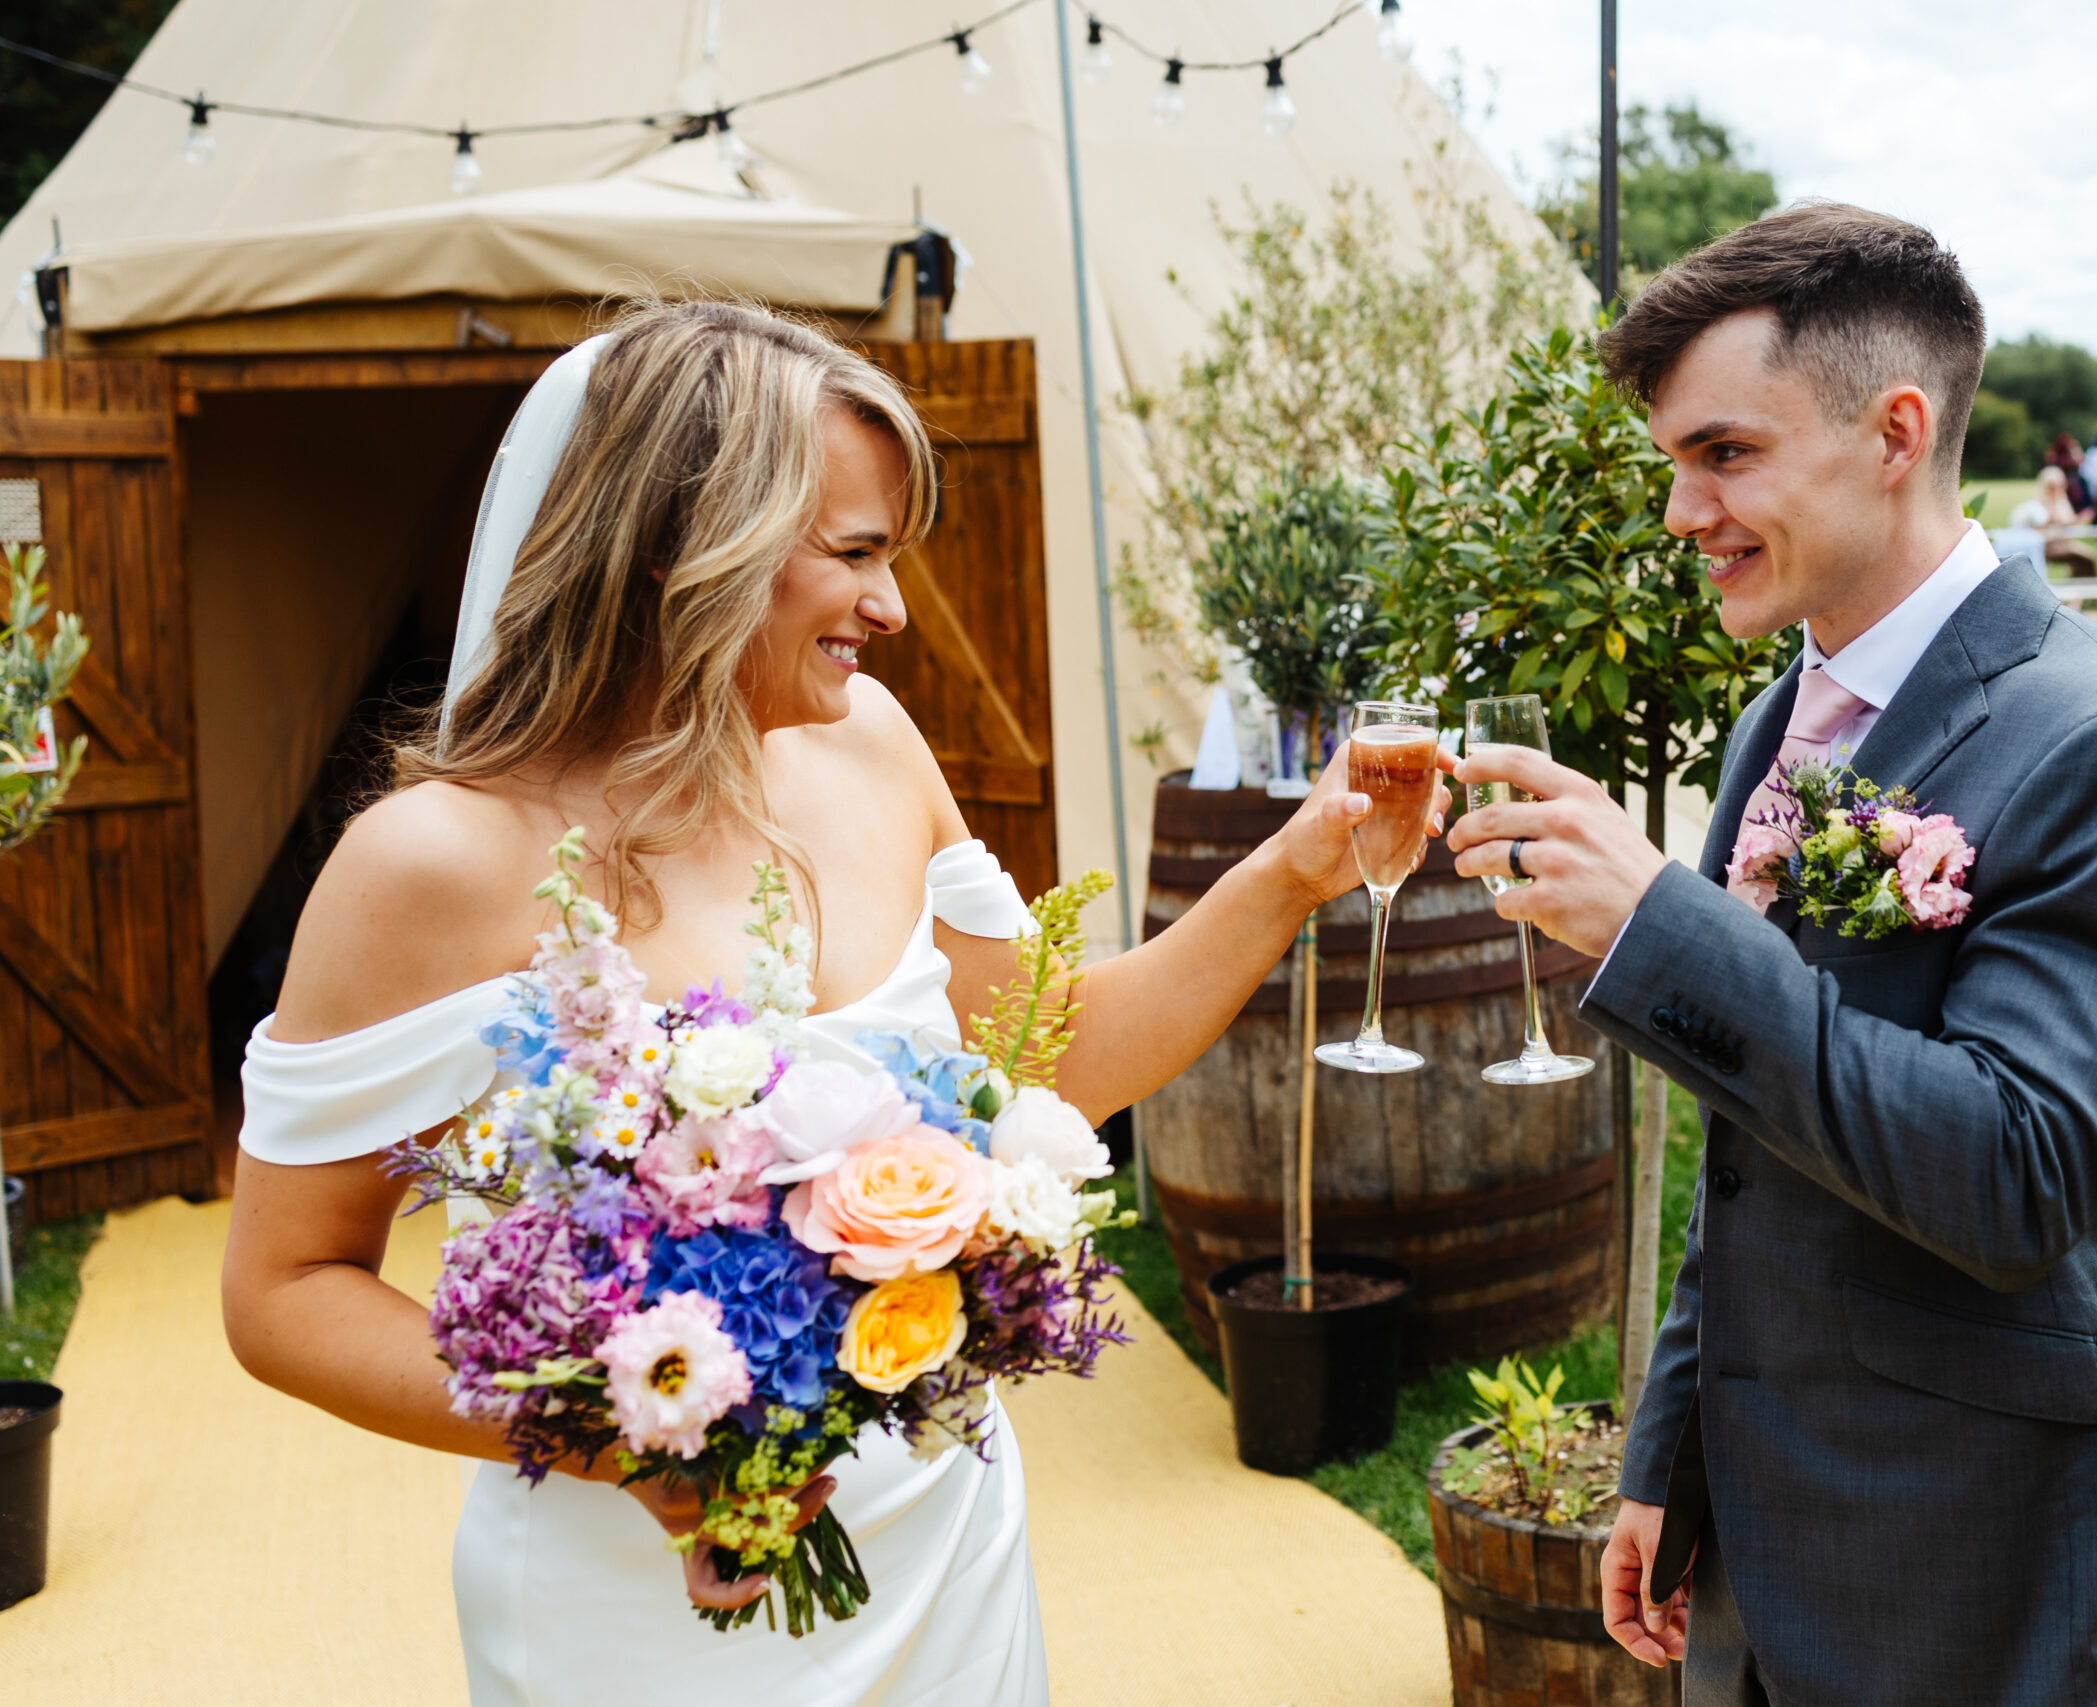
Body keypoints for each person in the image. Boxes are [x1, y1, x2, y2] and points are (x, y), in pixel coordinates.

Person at [220, 301, 1438, 1707]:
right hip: (638, 1611)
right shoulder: (426, 861)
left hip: (949, 1561)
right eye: (856, 554)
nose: (894, 608)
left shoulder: (872, 744)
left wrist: (1296, 869)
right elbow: (281, 1289)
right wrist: (629, 1438)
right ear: (687, 545)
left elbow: (1054, 1062)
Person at [1447, 203, 2097, 1707]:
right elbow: (1753, 1147)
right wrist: (1671, 1448)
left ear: (1895, 431)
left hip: (1964, 1551)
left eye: (1724, 453)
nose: (1682, 513)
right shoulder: (1780, 716)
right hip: (1756, 1524)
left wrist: (1667, 930)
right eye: (1677, 463)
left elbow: (2020, 1176)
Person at [2007, 464, 2097, 574]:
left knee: (2088, 557)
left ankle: (2082, 586)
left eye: (2060, 486)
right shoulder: (2034, 506)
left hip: (2062, 542)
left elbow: (2070, 524)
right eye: (2053, 486)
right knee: (2082, 558)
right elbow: (2028, 527)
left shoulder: (2062, 503)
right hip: (2045, 546)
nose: (2057, 490)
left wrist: (2081, 519)